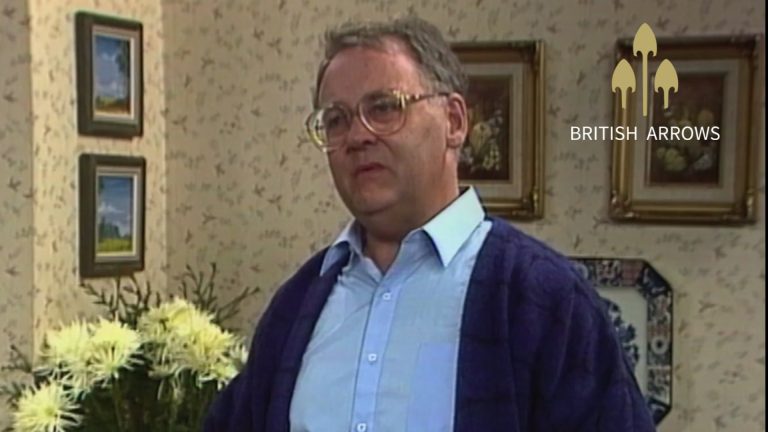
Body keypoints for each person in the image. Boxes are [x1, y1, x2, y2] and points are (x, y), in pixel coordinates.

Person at [204, 16, 656, 432]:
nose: (357, 136)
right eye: (336, 120)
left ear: (454, 122)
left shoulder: (544, 298)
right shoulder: (296, 305)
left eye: (384, 108)